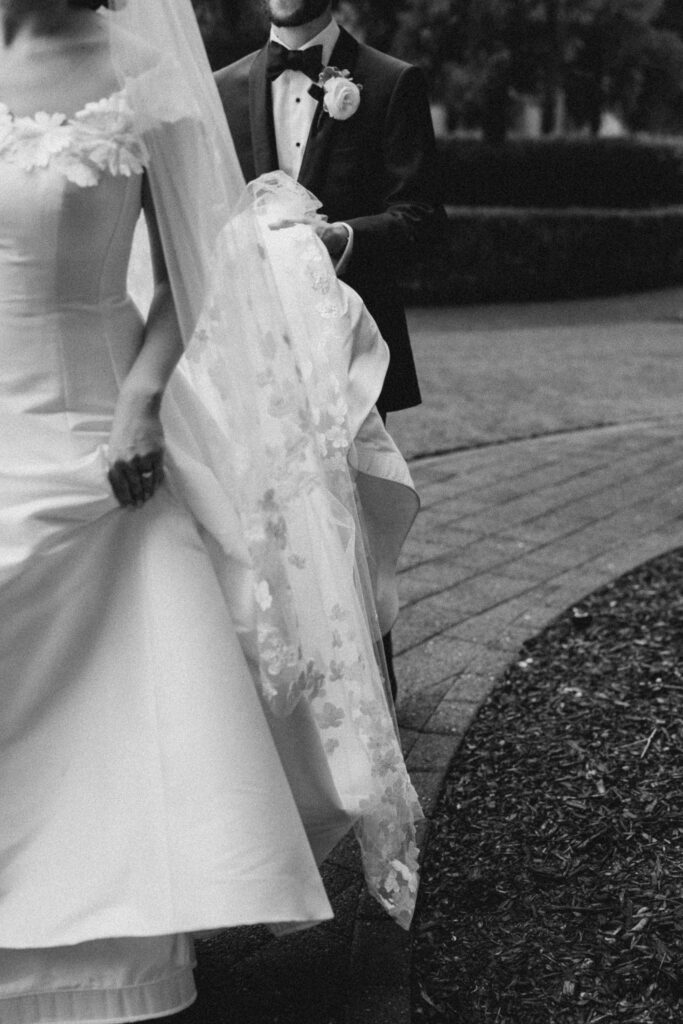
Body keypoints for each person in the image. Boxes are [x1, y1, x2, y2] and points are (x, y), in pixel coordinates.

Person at [0, 1, 420, 1022]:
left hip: (98, 427)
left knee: (116, 673)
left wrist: (142, 403)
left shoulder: (146, 74)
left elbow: (200, 262)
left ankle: (104, 952)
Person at [215, 0, 443, 699]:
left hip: (352, 347)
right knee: (267, 520)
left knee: (354, 516)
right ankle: (287, 701)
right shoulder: (222, 86)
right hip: (251, 350)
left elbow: (421, 219)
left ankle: (373, 699)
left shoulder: (391, 80)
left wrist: (334, 240)